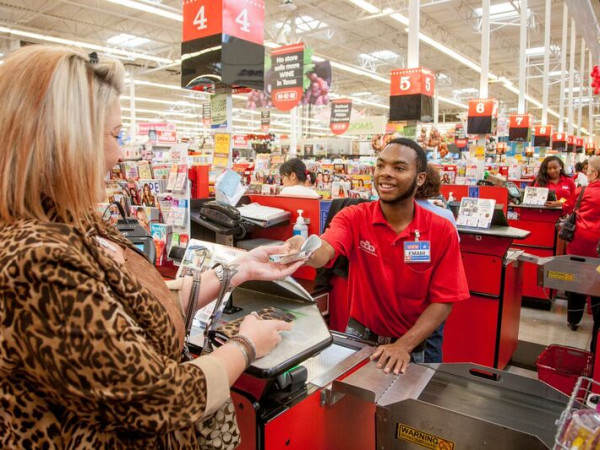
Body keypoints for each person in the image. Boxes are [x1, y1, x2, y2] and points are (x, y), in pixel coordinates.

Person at [0, 45, 306, 449]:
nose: (120, 153)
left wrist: (241, 268)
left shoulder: (73, 221)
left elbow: (139, 309)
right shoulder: (37, 260)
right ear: (64, 141)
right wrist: (246, 346)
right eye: (114, 135)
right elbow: (156, 398)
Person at [286, 138, 469, 374]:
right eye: (381, 165)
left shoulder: (441, 230)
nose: (386, 174)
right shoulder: (353, 216)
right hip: (360, 336)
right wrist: (306, 248)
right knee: (354, 405)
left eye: (399, 168)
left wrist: (403, 345)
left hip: (414, 343)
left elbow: (444, 300)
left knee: (409, 408)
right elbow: (326, 250)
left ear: (420, 178)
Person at [414, 163, 459, 363]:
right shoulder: (445, 215)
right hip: (436, 292)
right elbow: (455, 250)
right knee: (432, 338)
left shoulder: (398, 214)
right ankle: (428, 384)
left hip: (408, 292)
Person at [563, 156, 600, 350]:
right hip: (598, 250)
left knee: (577, 281)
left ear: (594, 173)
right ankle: (596, 315)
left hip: (580, 245)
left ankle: (573, 320)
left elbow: (568, 207)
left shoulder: (582, 191)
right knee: (597, 282)